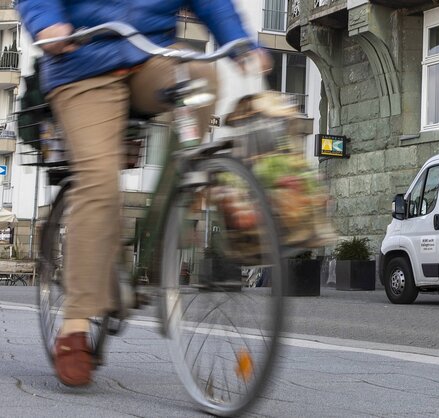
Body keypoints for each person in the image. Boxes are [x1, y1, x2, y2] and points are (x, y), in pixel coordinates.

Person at [17, 0, 272, 387]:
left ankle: (171, 215)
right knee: (99, 181)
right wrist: (48, 25)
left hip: (149, 59)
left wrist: (238, 42)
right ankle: (75, 324)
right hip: (81, 65)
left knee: (203, 73)